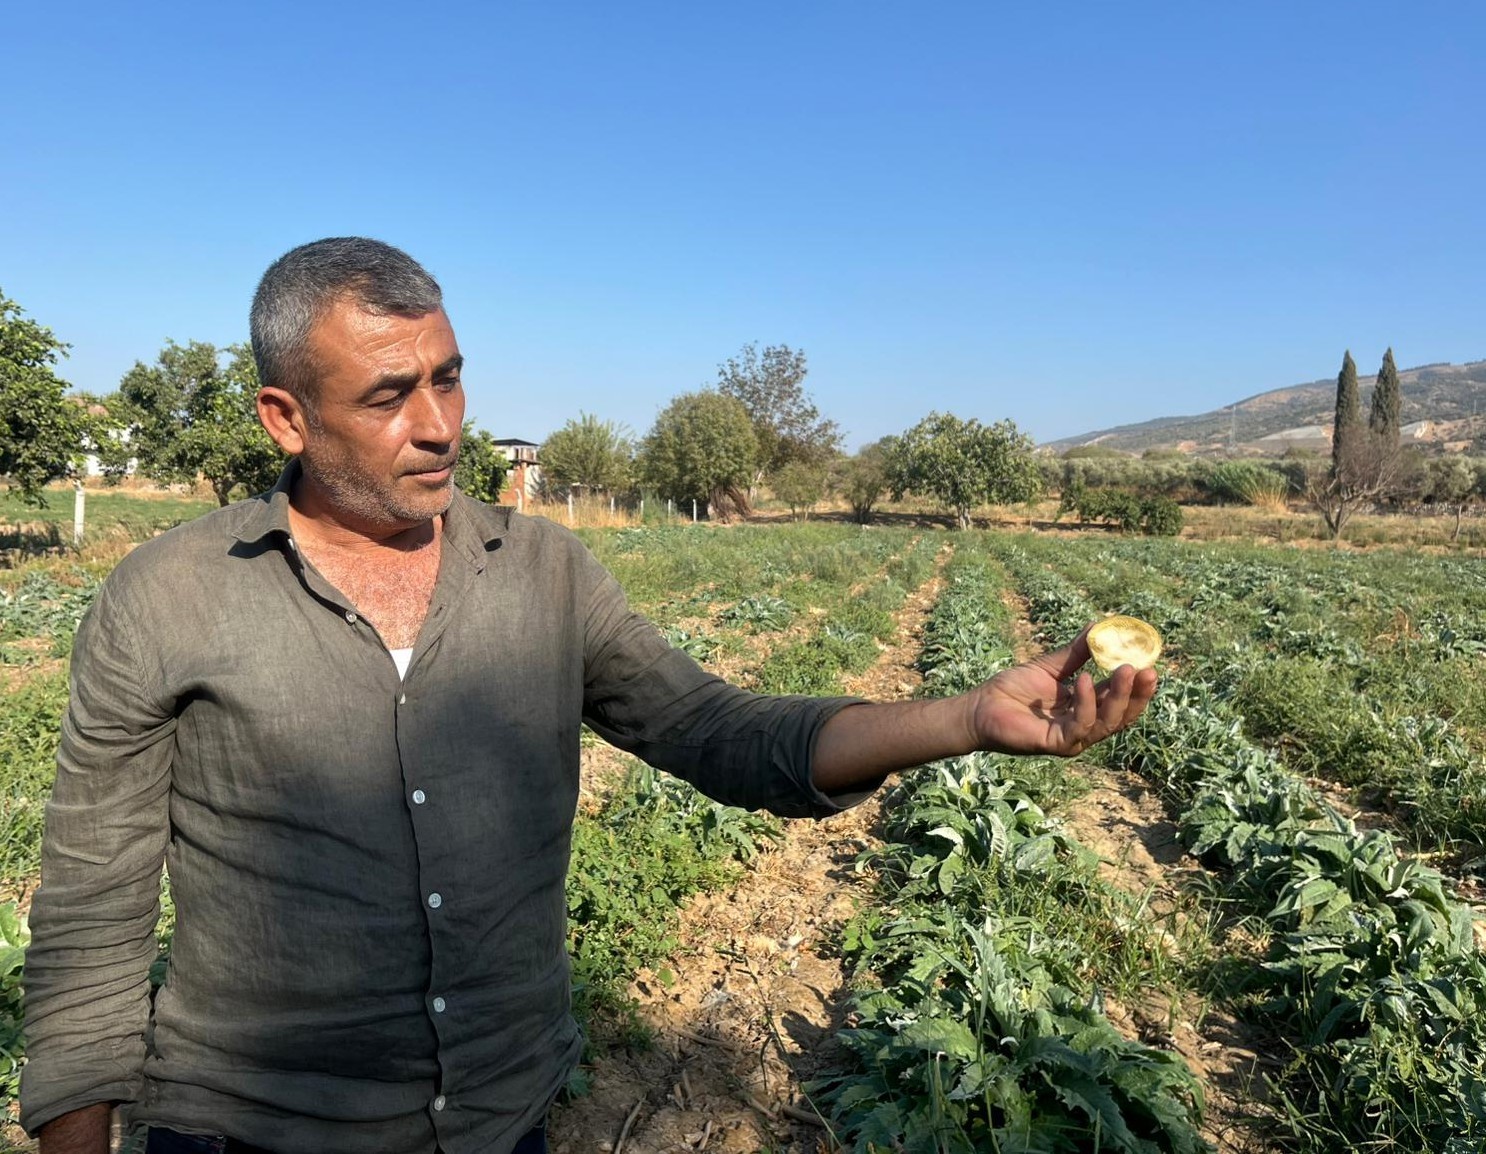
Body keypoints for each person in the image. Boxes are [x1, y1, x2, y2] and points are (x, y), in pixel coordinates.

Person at [20, 238, 1157, 1154]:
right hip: (252, 1125)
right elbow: (89, 915)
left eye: (449, 376)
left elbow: (720, 732)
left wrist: (963, 717)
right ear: (286, 417)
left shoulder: (548, 573)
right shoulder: (164, 597)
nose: (442, 424)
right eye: (388, 394)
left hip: (499, 1117)